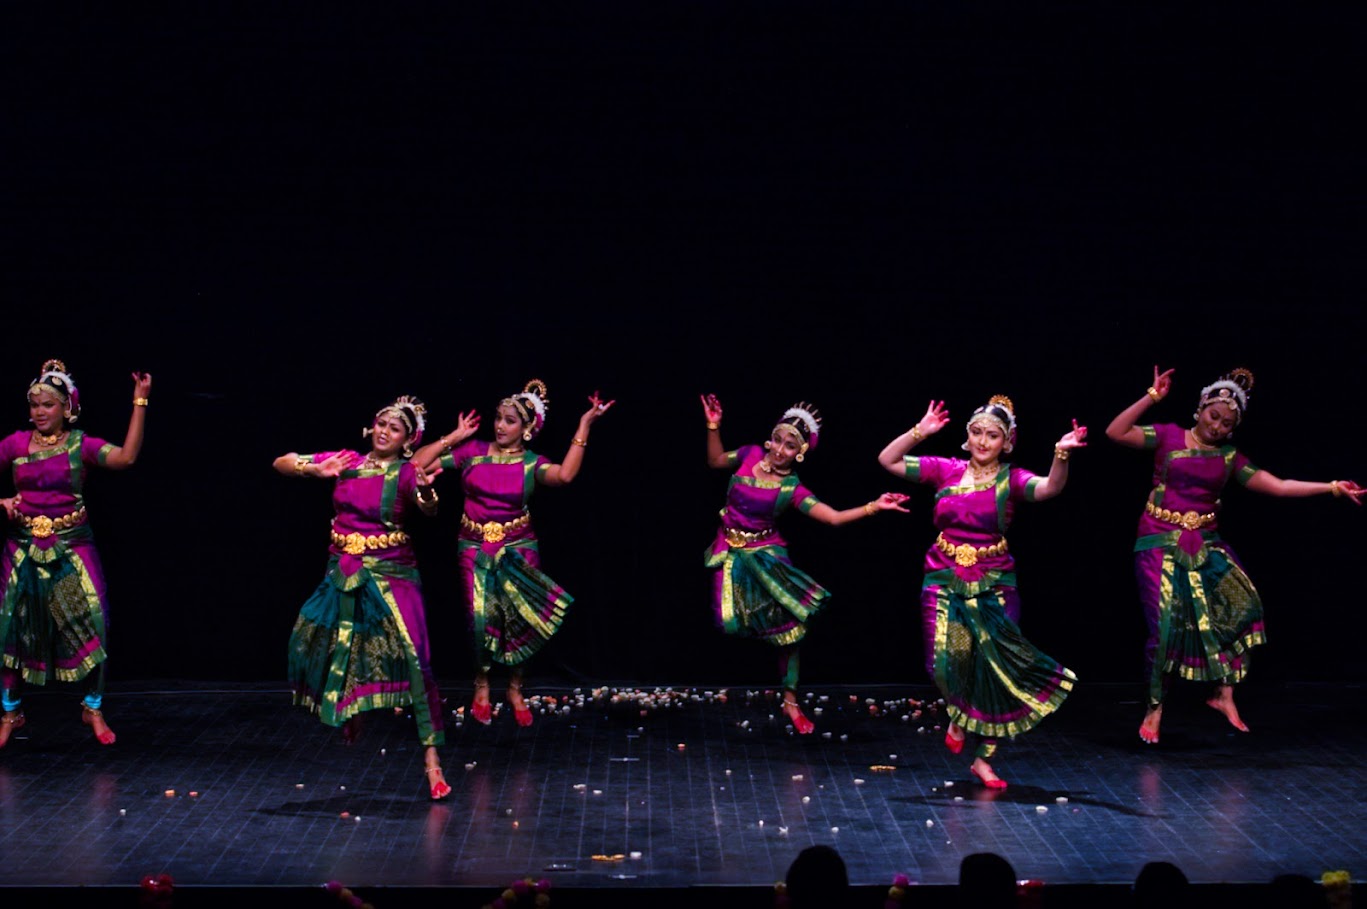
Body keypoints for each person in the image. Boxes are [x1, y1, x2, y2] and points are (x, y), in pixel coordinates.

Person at [1106, 366, 1363, 744]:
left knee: (1243, 604)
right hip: (1158, 541)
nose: (1217, 426)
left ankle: (1222, 692)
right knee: (1164, 630)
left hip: (1206, 543)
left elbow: (1278, 485)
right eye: (1214, 416)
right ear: (1200, 408)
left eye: (1227, 423)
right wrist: (1153, 396)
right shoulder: (1167, 436)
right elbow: (1115, 432)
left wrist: (1332, 488)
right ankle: (1155, 707)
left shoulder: (1229, 458)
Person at [878, 396, 1085, 789]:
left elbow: (1050, 489)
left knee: (995, 667)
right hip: (943, 576)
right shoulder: (945, 470)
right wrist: (920, 431)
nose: (983, 441)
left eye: (993, 435)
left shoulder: (1012, 479)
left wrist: (1061, 454)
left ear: (1007, 442)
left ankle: (984, 758)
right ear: (966, 436)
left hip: (995, 583)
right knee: (944, 662)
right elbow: (887, 460)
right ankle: (959, 715)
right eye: (976, 432)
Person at [277, 395, 461, 800]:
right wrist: (313, 469)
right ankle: (352, 713)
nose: (383, 431)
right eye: (380, 423)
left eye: (394, 429)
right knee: (343, 645)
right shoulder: (345, 460)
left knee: (415, 658)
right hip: (343, 569)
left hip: (393, 572)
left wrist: (428, 494)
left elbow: (428, 508)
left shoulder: (407, 472)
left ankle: (432, 762)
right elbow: (282, 460)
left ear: (407, 440)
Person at [701, 394, 910, 735]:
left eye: (789, 446)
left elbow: (834, 518)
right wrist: (714, 425)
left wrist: (874, 506)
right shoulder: (748, 454)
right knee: (727, 619)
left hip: (766, 557)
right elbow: (713, 461)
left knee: (792, 630)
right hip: (729, 551)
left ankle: (790, 700)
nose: (779, 449)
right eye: (778, 440)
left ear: (799, 453)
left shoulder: (791, 487)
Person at [412, 380, 612, 728]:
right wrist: (455, 437)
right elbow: (417, 463)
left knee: (520, 619)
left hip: (518, 547)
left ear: (528, 428)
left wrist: (585, 425)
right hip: (473, 545)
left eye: (510, 421)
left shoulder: (532, 464)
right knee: (479, 618)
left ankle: (516, 687)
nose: (501, 426)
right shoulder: (472, 452)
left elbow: (565, 476)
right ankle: (482, 683)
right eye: (499, 418)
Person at [0, 359, 151, 748]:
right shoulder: (15, 444)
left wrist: (140, 402)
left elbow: (126, 459)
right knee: (10, 627)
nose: (39, 412)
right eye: (34, 404)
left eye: (48, 404)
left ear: (67, 408)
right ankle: (10, 712)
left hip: (72, 544)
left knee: (94, 619)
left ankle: (93, 707)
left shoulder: (79, 444)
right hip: (23, 547)